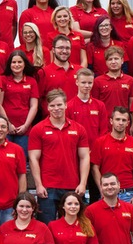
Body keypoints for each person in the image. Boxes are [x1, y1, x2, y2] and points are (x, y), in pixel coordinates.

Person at [28, 90, 90, 222]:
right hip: (47, 187)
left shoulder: (79, 129)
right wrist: (38, 184)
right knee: (47, 227)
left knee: (72, 227)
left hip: (72, 186)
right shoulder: (38, 129)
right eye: (52, 106)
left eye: (59, 105)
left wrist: (83, 183)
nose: (56, 109)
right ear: (47, 107)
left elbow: (84, 157)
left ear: (66, 105)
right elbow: (33, 158)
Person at [89, 106, 133, 207]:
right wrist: (102, 190)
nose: (120, 123)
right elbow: (95, 168)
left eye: (124, 120)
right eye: (117, 119)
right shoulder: (100, 142)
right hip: (107, 192)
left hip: (128, 193)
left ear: (128, 123)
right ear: (111, 121)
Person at [0, 50, 39, 154]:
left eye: (19, 62)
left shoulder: (31, 81)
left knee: (22, 160)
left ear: (25, 63)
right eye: (14, 62)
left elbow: (34, 106)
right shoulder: (3, 79)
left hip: (24, 129)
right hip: (4, 128)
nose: (17, 65)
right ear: (9, 64)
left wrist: (26, 125)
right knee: (5, 158)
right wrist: (8, 124)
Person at [92, 46, 133, 113]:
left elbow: (131, 105)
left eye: (116, 59)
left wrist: (132, 122)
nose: (113, 62)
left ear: (122, 60)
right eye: (110, 59)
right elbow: (95, 105)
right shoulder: (97, 81)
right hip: (105, 121)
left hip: (123, 121)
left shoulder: (130, 80)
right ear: (106, 62)